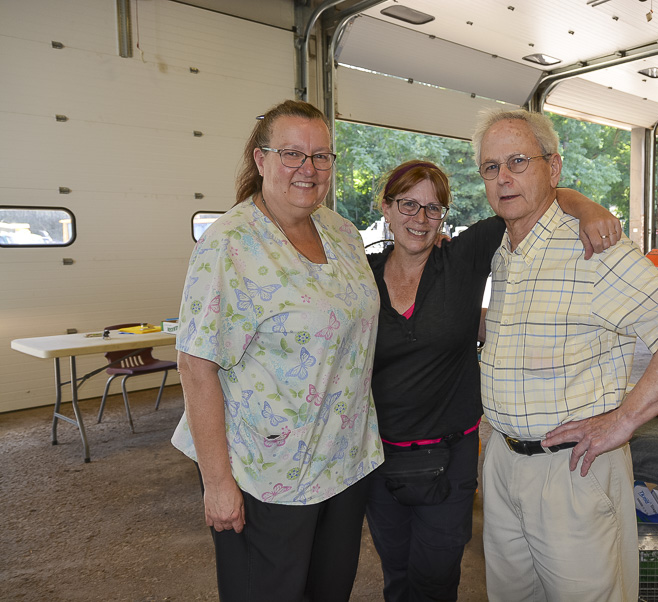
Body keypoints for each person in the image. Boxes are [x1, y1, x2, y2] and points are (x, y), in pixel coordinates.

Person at [473, 109, 658, 601]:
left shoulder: (592, 249)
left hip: (571, 471)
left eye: (518, 162)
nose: (503, 178)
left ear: (553, 168)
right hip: (501, 462)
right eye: (491, 167)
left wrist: (624, 420)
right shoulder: (502, 249)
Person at [365, 159, 623, 602]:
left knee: (435, 579)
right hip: (378, 456)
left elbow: (530, 202)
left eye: (433, 208)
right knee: (396, 573)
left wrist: (585, 207)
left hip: (449, 455)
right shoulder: (360, 273)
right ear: (386, 208)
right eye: (408, 205)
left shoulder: (462, 258)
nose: (420, 218)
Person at [171, 100, 382, 601]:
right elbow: (196, 365)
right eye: (291, 153)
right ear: (261, 159)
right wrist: (218, 483)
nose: (308, 168)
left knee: (329, 590)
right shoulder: (230, 244)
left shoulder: (343, 233)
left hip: (344, 461)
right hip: (266, 472)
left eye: (321, 156)